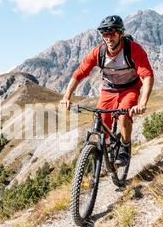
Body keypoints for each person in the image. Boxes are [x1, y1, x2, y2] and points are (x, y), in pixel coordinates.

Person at [60, 15, 154, 166]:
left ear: (121, 33)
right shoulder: (99, 52)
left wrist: (142, 103)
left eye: (112, 33)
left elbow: (147, 75)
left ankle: (124, 147)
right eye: (105, 34)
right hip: (109, 90)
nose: (108, 38)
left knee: (124, 115)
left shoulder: (133, 49)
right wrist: (66, 96)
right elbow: (79, 74)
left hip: (130, 88)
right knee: (101, 121)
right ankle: (107, 149)